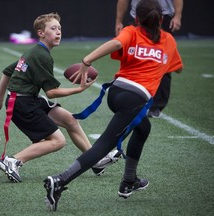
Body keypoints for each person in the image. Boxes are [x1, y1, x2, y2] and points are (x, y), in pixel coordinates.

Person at [43, 0, 183, 211]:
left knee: (143, 128)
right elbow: (176, 68)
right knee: (104, 146)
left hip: (116, 92)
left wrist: (87, 60)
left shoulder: (131, 31)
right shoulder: (168, 40)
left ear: (136, 19)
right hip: (134, 100)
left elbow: (117, 44)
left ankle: (129, 181)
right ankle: (60, 180)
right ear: (162, 19)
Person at [0, 13, 121, 183]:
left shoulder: (35, 51)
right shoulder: (41, 56)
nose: (58, 32)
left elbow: (7, 72)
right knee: (58, 141)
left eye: (59, 28)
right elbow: (52, 92)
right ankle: (12, 160)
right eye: (53, 28)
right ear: (41, 33)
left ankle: (95, 161)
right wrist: (79, 89)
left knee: (70, 120)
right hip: (22, 103)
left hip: (26, 99)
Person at [115, 0, 183, 118]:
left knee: (162, 64)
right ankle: (134, 100)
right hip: (140, 17)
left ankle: (155, 106)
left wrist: (178, 15)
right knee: (136, 60)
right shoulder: (130, 31)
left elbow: (177, 68)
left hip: (162, 16)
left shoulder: (167, 38)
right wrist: (118, 21)